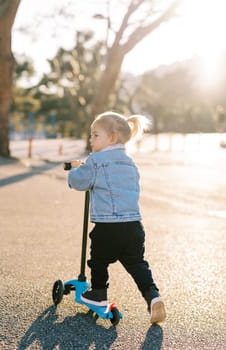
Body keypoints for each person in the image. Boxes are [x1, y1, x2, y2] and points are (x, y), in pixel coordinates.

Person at [67, 111, 166, 324]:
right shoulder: (130, 162)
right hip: (133, 225)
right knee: (137, 263)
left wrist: (75, 170)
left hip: (108, 226)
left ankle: (99, 293)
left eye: (95, 135)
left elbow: (80, 182)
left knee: (98, 260)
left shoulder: (96, 160)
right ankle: (152, 296)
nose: (91, 140)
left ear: (111, 138)